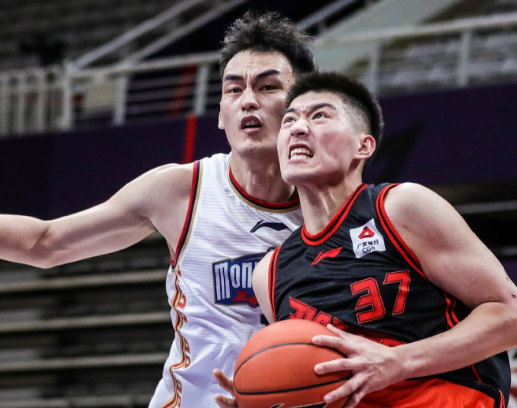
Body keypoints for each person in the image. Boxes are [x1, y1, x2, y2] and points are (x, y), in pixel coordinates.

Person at [0, 12, 315, 408]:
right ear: (220, 113)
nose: (248, 100)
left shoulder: (335, 206)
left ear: (301, 105)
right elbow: (45, 243)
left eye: (267, 86)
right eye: (233, 89)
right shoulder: (180, 191)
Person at [218, 71, 517, 408]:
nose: (298, 128)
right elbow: (314, 383)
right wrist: (262, 397)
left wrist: (400, 361)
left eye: (319, 116)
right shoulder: (270, 273)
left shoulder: (400, 207)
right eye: (289, 120)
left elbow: (510, 314)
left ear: (363, 146)